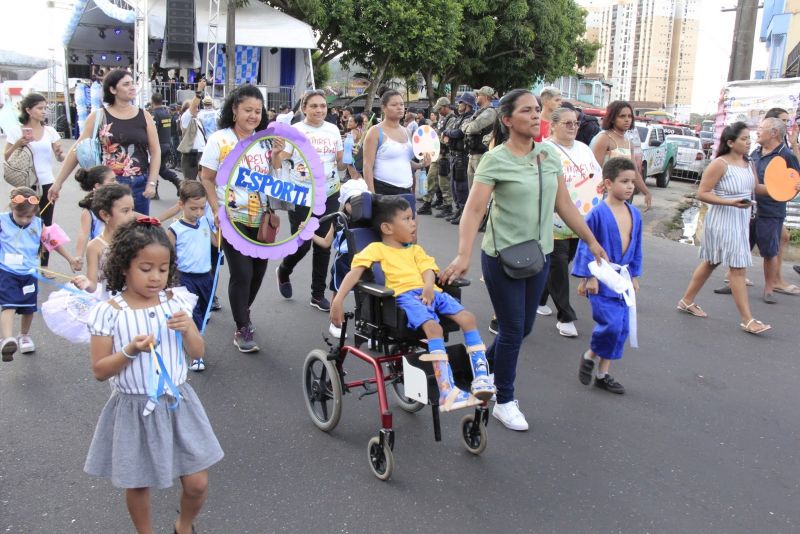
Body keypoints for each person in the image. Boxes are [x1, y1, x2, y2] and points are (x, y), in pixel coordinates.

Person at [441, 89, 607, 432]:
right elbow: (473, 210)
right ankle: (504, 399)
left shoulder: (547, 155)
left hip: (539, 255)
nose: (536, 116)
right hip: (502, 257)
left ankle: (476, 369)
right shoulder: (495, 159)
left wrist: (592, 241)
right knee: (513, 329)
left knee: (525, 328)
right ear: (507, 119)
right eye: (527, 111)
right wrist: (463, 253)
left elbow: (564, 204)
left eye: (537, 110)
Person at [84, 218, 223, 534]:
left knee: (198, 482)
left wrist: (189, 330)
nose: (155, 277)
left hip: (179, 401)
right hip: (135, 408)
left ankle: (183, 526)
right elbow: (99, 370)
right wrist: (130, 350)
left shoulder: (176, 302)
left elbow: (198, 353)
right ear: (123, 267)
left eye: (162, 269)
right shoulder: (109, 312)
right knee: (138, 482)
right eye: (145, 269)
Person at [330, 196, 496, 408]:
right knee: (433, 328)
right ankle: (446, 389)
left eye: (413, 218)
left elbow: (428, 270)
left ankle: (481, 377)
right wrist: (338, 300)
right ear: (387, 228)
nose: (413, 223)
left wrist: (428, 286)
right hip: (405, 296)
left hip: (431, 292)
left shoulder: (415, 250)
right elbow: (355, 273)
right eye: (407, 219)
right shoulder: (376, 249)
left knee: (469, 318)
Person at [677, 122, 771, 334]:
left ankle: (686, 300)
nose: (749, 142)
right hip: (722, 220)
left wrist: (784, 189)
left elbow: (757, 188)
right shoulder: (719, 164)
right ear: (730, 142)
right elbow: (702, 193)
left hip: (740, 220)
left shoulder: (749, 163)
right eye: (744, 139)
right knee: (737, 269)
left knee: (711, 261)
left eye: (749, 138)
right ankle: (747, 320)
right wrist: (731, 202)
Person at [199, 84, 269, 353]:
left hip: (261, 219)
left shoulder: (264, 141)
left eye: (258, 111)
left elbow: (274, 177)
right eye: (248, 110)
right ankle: (242, 326)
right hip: (231, 216)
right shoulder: (220, 139)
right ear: (234, 110)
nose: (253, 116)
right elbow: (206, 178)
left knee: (258, 272)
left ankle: (244, 312)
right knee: (241, 272)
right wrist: (216, 209)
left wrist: (278, 156)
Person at [572, 157, 643, 394]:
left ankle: (603, 374)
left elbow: (637, 248)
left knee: (621, 328)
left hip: (622, 279)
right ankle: (589, 354)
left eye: (632, 182)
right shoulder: (597, 214)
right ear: (609, 183)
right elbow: (585, 246)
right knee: (610, 325)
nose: (630, 186)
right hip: (602, 278)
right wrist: (588, 277)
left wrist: (634, 275)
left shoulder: (635, 214)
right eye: (625, 181)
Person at [271, 90, 346, 312]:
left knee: (324, 243)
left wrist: (350, 155)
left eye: (322, 106)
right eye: (314, 106)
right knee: (302, 243)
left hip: (330, 192)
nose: (319, 110)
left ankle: (317, 294)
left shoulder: (333, 129)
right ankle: (284, 270)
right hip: (301, 194)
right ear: (304, 108)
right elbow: (278, 165)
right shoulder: (296, 131)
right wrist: (276, 153)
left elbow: (340, 164)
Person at [50, 69, 161, 215]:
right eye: (126, 84)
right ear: (113, 89)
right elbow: (77, 150)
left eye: (132, 83)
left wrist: (151, 183)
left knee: (139, 233)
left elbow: (155, 151)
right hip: (109, 185)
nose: (132, 87)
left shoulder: (144, 115)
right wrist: (58, 182)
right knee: (110, 233)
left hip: (139, 185)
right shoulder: (98, 116)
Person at [540, 107, 603, 338]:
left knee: (563, 262)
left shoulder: (584, 149)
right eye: (567, 123)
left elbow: (595, 175)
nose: (573, 127)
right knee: (558, 264)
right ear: (553, 125)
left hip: (581, 218)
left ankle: (539, 298)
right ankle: (566, 316)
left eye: (576, 123)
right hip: (554, 219)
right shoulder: (545, 150)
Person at [0, 187, 81, 361]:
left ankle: (24, 336)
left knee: (29, 307)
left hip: (30, 272)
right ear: (11, 208)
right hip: (7, 271)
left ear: (35, 214)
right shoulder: (2, 221)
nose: (24, 220)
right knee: (9, 304)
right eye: (20, 215)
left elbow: (53, 242)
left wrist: (70, 259)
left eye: (28, 216)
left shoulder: (38, 223)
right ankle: (7, 339)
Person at [5, 92, 65, 272]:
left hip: (47, 184)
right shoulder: (17, 131)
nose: (43, 111)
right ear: (28, 110)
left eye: (45, 108)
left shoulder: (50, 131)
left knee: (46, 225)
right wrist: (19, 143)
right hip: (25, 185)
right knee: (23, 222)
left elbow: (60, 158)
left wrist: (60, 153)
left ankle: (44, 266)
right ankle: (23, 260)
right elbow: (6, 156)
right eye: (40, 108)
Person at [749, 117, 800, 302]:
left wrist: (784, 193)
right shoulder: (755, 152)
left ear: (774, 133)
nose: (757, 131)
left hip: (771, 212)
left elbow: (795, 182)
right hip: (749, 208)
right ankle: (733, 282)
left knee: (770, 252)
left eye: (762, 128)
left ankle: (769, 288)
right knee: (742, 247)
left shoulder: (786, 155)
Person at [168, 181, 214, 350]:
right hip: (185, 278)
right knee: (194, 315)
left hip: (206, 277)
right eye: (193, 208)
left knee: (204, 311)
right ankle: (197, 351)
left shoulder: (205, 223)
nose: (198, 212)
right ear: (181, 205)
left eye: (202, 208)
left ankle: (191, 338)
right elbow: (168, 258)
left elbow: (216, 243)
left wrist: (219, 227)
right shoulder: (175, 229)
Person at [362, 89, 430, 195]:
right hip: (383, 190)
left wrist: (421, 164)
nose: (399, 107)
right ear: (383, 108)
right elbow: (367, 166)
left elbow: (404, 161)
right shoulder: (375, 132)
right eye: (394, 105)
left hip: (407, 190)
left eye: (402, 104)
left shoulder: (407, 131)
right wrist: (372, 196)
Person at [590, 100, 653, 211]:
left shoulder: (629, 142)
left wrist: (646, 192)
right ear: (613, 118)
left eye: (629, 116)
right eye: (622, 116)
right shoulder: (604, 138)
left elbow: (635, 172)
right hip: (605, 196)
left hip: (624, 196)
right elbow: (594, 170)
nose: (627, 119)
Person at [442, 92, 475, 224]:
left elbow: (459, 133)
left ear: (467, 104)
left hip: (462, 155)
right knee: (454, 185)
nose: (458, 104)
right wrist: (448, 133)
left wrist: (447, 133)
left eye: (461, 102)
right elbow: (451, 131)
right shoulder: (459, 117)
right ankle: (458, 210)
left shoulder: (469, 118)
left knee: (461, 186)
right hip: (454, 155)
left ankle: (463, 212)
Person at [74, 165, 116, 260]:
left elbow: (132, 216)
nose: (116, 183)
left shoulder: (119, 202)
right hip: (101, 254)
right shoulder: (89, 210)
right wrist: (79, 256)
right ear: (98, 186)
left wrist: (152, 220)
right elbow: (84, 234)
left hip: (120, 252)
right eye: (112, 180)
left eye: (115, 179)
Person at [463, 86, 498, 190]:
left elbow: (473, 128)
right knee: (472, 190)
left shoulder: (490, 112)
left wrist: (468, 127)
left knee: (480, 189)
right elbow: (463, 126)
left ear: (486, 97)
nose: (476, 96)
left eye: (479, 95)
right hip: (473, 154)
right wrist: (468, 127)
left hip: (481, 155)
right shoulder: (479, 112)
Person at [149, 92, 182, 198]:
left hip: (158, 146)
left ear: (152, 101)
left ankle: (155, 191)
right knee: (161, 169)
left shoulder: (155, 114)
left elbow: (154, 131)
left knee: (153, 169)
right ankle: (176, 181)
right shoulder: (166, 113)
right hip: (167, 144)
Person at [178, 79, 210, 180]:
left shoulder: (198, 119)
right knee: (190, 184)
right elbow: (194, 105)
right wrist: (199, 89)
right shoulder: (185, 119)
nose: (197, 108)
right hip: (190, 155)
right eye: (194, 107)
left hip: (202, 153)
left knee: (206, 181)